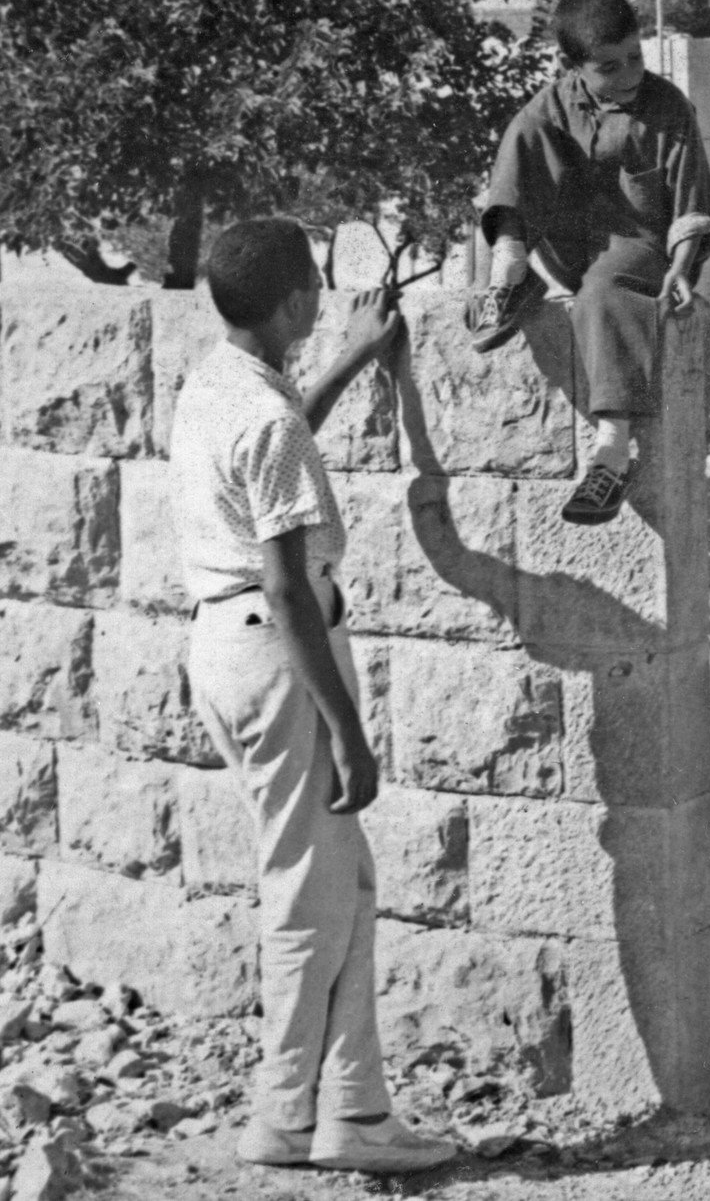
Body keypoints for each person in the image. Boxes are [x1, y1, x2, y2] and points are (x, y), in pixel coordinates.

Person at [172, 218, 455, 1175]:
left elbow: (280, 444)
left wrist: (349, 361)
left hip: (225, 646)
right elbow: (290, 586)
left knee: (341, 884)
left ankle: (351, 1111)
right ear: (296, 299)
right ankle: (284, 1115)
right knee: (307, 894)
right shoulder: (270, 420)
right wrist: (350, 735)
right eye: (316, 291)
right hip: (277, 647)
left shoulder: (220, 386)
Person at [465, 0, 710, 525]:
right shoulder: (554, 103)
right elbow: (521, 170)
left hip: (641, 248)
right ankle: (511, 270)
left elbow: (693, 202)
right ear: (572, 64)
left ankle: (612, 450)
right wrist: (517, 241)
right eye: (609, 66)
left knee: (601, 293)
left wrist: (680, 267)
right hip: (571, 242)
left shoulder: (668, 106)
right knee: (525, 131)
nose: (628, 74)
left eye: (635, 57)